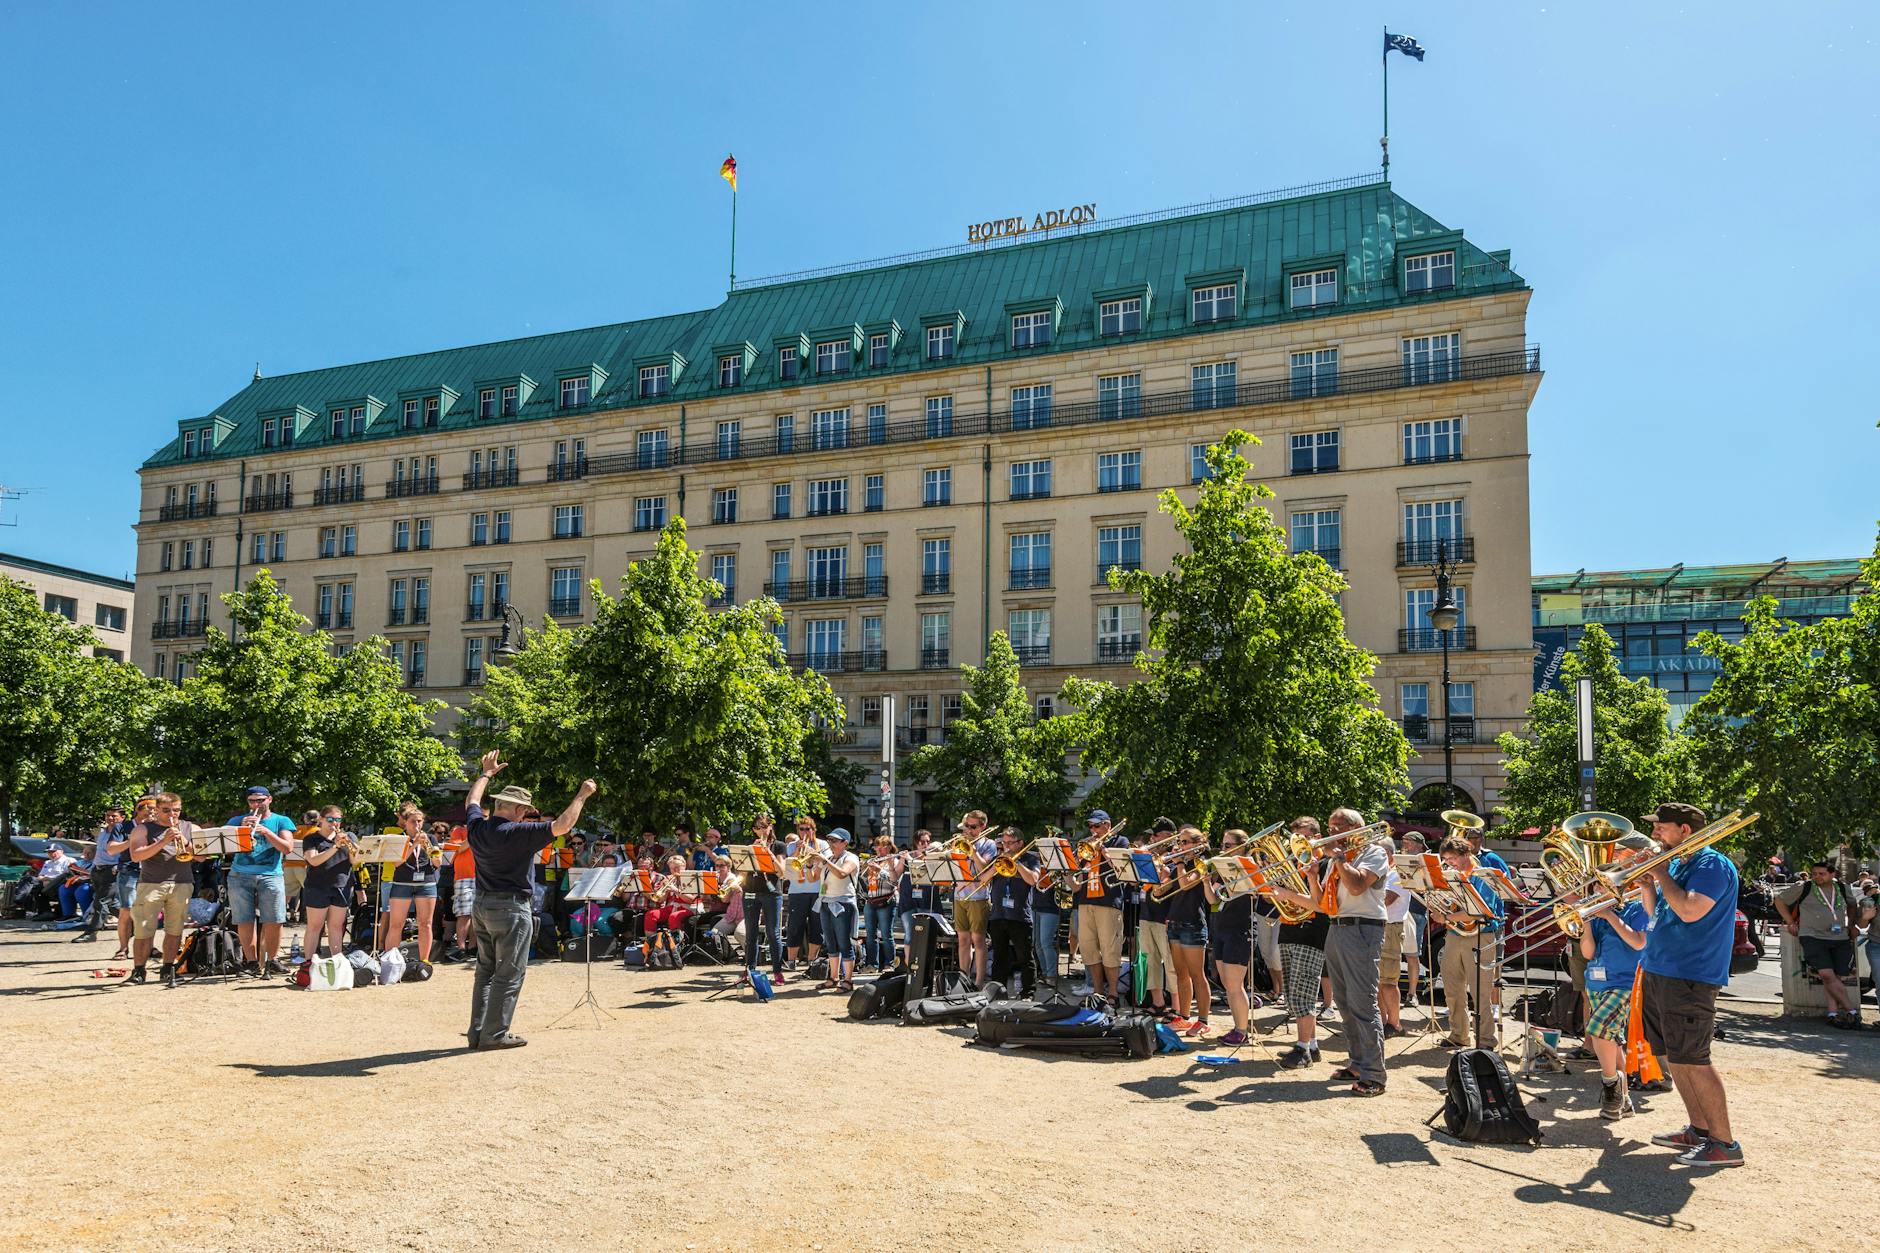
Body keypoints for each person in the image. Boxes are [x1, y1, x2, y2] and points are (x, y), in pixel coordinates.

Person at [463, 751, 596, 1051]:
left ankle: (478, 1031)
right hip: (510, 908)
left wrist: (486, 774)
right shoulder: (519, 832)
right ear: (517, 809)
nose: (527, 816)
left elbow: (471, 802)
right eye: (525, 811)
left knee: (485, 970)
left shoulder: (477, 827)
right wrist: (581, 796)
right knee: (509, 972)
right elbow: (562, 825)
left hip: (481, 905)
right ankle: (495, 1034)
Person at [1636, 802, 1744, 1167]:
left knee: (1695, 1059)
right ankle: (1700, 1129)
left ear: (1684, 831)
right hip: (1662, 969)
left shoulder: (1711, 864)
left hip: (1690, 974)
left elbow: (1690, 910)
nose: (1654, 834)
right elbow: (1658, 914)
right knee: (1675, 1056)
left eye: (1661, 828)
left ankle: (1725, 1143)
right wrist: (1647, 884)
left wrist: (1661, 873)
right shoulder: (1680, 865)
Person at [1319, 808, 1392, 1096]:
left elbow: (1358, 885)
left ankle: (1375, 1075)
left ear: (1356, 829)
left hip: (1363, 927)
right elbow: (1325, 899)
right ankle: (1358, 1062)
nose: (1333, 831)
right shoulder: (1337, 859)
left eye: (1339, 826)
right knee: (1344, 1001)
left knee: (1362, 1001)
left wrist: (1337, 858)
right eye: (1331, 825)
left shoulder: (1373, 853)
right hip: (1337, 926)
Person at [1579, 845, 1653, 1120]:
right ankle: (1624, 1101)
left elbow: (1638, 941)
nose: (1599, 891)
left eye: (1604, 885)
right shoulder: (1596, 915)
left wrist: (1610, 915)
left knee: (1597, 1031)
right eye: (1597, 886)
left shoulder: (1635, 909)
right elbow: (1588, 953)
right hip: (1596, 982)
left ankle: (1610, 1087)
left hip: (1624, 983)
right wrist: (1586, 921)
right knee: (1610, 1041)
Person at [1432, 835, 1504, 1049]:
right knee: (1452, 987)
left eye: (1452, 858)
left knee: (1480, 992)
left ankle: (1486, 1040)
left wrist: (1446, 918)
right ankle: (1458, 1035)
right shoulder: (1452, 874)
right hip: (1455, 935)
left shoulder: (1481, 874)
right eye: (1446, 858)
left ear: (1466, 854)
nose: (1449, 862)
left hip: (1481, 935)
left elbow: (1480, 910)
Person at [1271, 817, 1331, 1069]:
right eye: (1296, 838)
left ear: (1317, 836)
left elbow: (1320, 903)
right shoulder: (1295, 864)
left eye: (1304, 838)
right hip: (1289, 929)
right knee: (1294, 991)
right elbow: (1287, 899)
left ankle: (1302, 1049)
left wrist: (1288, 894)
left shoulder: (1326, 863)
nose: (1299, 843)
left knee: (1302, 992)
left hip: (1312, 931)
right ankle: (1312, 1045)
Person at [1776, 861, 1863, 1027]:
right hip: (1812, 936)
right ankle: (1851, 1011)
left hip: (1839, 937)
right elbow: (1779, 901)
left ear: (1832, 874)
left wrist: (1851, 925)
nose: (1817, 877)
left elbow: (1852, 905)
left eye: (1821, 874)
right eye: (1814, 873)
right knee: (1826, 975)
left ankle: (1832, 1013)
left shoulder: (1843, 888)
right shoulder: (1805, 886)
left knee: (1834, 977)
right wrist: (1790, 922)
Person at [227, 785, 298, 978]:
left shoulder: (281, 821)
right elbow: (224, 846)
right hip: (239, 875)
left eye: (260, 800)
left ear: (270, 799)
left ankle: (272, 960)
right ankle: (251, 962)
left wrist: (266, 832)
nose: (256, 804)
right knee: (244, 919)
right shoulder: (236, 821)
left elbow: (287, 848)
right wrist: (240, 827)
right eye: (252, 801)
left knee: (274, 919)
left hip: (271, 875)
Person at [125, 794, 195, 987]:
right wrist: (163, 841)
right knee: (143, 929)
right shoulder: (143, 828)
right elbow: (136, 856)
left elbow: (201, 857)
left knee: (175, 929)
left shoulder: (189, 827)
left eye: (176, 810)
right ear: (156, 809)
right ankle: (139, 970)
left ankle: (168, 968)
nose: (172, 814)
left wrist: (186, 843)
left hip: (182, 882)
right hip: (151, 884)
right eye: (167, 810)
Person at [1204, 828, 1256, 1046]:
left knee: (1235, 984)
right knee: (1228, 983)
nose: (1223, 849)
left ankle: (1242, 1030)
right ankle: (1239, 1026)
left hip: (1239, 928)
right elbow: (1213, 901)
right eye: (1223, 845)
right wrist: (1206, 881)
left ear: (1241, 845)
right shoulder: (1223, 870)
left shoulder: (1250, 868)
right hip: (1222, 928)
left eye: (1227, 845)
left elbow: (1244, 893)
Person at [1162, 827, 1213, 1038]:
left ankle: (1203, 1020)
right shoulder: (1179, 865)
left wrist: (1180, 863)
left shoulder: (1202, 864)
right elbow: (1163, 889)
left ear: (1197, 844)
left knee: (1197, 975)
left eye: (1184, 842)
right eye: (1180, 842)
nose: (1180, 846)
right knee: (1181, 975)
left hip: (1193, 923)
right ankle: (1184, 1017)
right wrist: (1160, 874)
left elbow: (1184, 885)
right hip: (1175, 922)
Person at [1076, 810, 1130, 1002]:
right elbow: (1078, 870)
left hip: (1108, 902)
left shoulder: (1120, 842)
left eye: (1097, 826)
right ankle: (1097, 991)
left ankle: (1113, 993)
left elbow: (1122, 870)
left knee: (1110, 949)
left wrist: (1104, 850)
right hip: (1086, 900)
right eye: (1090, 826)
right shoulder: (1087, 843)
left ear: (1107, 825)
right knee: (1089, 948)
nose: (1093, 830)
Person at [381, 803, 442, 965]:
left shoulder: (431, 838)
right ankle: (390, 961)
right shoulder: (398, 839)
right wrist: (414, 844)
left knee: (425, 923)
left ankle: (425, 960)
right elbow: (397, 863)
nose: (417, 825)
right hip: (402, 882)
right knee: (396, 924)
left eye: (420, 821)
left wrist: (427, 846)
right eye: (414, 822)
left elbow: (437, 863)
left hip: (426, 882)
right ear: (406, 823)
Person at [984, 826, 1037, 996]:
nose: (1006, 846)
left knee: (1025, 957)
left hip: (1020, 915)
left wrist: (1017, 863)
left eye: (1010, 843)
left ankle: (1028, 992)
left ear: (1020, 843)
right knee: (999, 957)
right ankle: (998, 992)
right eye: (1004, 843)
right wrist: (998, 864)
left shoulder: (1031, 859)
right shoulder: (997, 858)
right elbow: (983, 880)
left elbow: (1033, 880)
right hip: (998, 915)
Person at [299, 807, 356, 962]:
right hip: (317, 886)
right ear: (322, 820)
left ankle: (337, 962)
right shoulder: (311, 839)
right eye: (330, 819)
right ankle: (308, 963)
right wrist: (335, 847)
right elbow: (314, 860)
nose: (334, 823)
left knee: (336, 927)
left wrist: (350, 846)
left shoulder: (349, 836)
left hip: (341, 885)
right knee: (314, 927)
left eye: (338, 820)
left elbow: (356, 861)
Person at [1135, 819, 1179, 1019]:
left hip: (1165, 915)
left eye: (1157, 835)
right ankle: (1158, 1002)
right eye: (1152, 835)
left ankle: (1177, 1007)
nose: (1152, 838)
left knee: (1170, 963)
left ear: (1169, 836)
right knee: (1150, 959)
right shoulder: (1149, 856)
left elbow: (1169, 887)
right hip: (1146, 913)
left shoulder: (1175, 857)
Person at [808, 828, 861, 991]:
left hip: (843, 903)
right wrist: (809, 864)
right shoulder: (829, 858)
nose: (831, 844)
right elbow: (812, 878)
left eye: (835, 841)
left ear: (845, 843)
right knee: (830, 943)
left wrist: (824, 861)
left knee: (844, 942)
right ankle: (833, 977)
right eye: (829, 840)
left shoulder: (851, 857)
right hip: (825, 902)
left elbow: (842, 873)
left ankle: (848, 980)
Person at [951, 811, 997, 987]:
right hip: (959, 894)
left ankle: (978, 980)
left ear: (982, 827)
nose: (968, 830)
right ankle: (964, 978)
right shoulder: (958, 842)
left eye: (973, 827)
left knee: (978, 940)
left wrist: (973, 850)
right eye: (966, 826)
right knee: (962, 939)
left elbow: (984, 869)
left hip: (978, 896)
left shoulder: (989, 844)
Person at [742, 815, 785, 984]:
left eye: (763, 827)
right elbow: (743, 872)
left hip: (771, 893)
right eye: (757, 828)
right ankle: (749, 970)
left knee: (773, 933)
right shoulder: (750, 847)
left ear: (770, 827)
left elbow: (781, 872)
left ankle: (777, 971)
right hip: (750, 891)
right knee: (750, 934)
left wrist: (767, 853)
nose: (761, 831)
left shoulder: (778, 846)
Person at [79, 805, 131, 944]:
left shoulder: (124, 833)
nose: (110, 818)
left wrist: (118, 867)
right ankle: (134, 927)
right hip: (98, 869)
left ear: (122, 818)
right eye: (108, 815)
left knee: (100, 902)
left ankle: (91, 933)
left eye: (114, 816)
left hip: (113, 870)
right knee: (112, 903)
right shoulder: (102, 832)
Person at [783, 817, 827, 968]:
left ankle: (811, 960)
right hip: (797, 891)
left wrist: (813, 853)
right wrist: (797, 849)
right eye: (801, 829)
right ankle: (791, 961)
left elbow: (825, 863)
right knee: (795, 926)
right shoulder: (791, 846)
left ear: (813, 830)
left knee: (817, 926)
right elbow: (789, 865)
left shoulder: (823, 844)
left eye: (807, 829)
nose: (804, 832)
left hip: (817, 891)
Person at [1379, 836, 1411, 1036]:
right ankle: (1382, 1021)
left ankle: (1395, 1023)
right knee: (1377, 980)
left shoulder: (1397, 873)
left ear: (1388, 854)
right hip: (1380, 927)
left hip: (1391, 928)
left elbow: (1387, 900)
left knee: (1389, 980)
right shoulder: (1384, 873)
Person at [861, 833, 902, 972]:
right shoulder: (875, 860)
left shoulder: (894, 861)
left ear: (889, 847)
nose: (877, 850)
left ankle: (889, 964)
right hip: (871, 899)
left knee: (886, 934)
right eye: (876, 846)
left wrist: (880, 870)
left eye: (881, 847)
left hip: (887, 900)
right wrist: (864, 869)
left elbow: (894, 881)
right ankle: (872, 964)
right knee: (870, 934)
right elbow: (865, 880)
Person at [895, 828, 939, 952]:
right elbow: (895, 876)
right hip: (908, 901)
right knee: (909, 935)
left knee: (924, 935)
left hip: (926, 901)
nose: (925, 845)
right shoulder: (908, 856)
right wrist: (893, 862)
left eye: (928, 842)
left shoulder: (932, 857)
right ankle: (909, 968)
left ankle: (922, 967)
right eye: (922, 842)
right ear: (915, 843)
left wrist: (910, 859)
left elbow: (923, 868)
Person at [443, 823, 476, 963]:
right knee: (464, 914)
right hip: (464, 877)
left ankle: (473, 948)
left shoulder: (487, 829)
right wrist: (474, 835)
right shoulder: (459, 831)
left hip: (483, 876)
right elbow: (458, 849)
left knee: (478, 915)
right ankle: (461, 948)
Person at [644, 854, 699, 937]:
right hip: (674, 907)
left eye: (677, 867)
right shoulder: (669, 878)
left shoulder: (691, 877)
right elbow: (661, 900)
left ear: (684, 866)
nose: (674, 870)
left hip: (691, 908)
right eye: (671, 868)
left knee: (674, 917)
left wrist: (675, 890)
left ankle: (677, 943)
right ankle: (652, 943)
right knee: (651, 914)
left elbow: (691, 900)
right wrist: (664, 891)